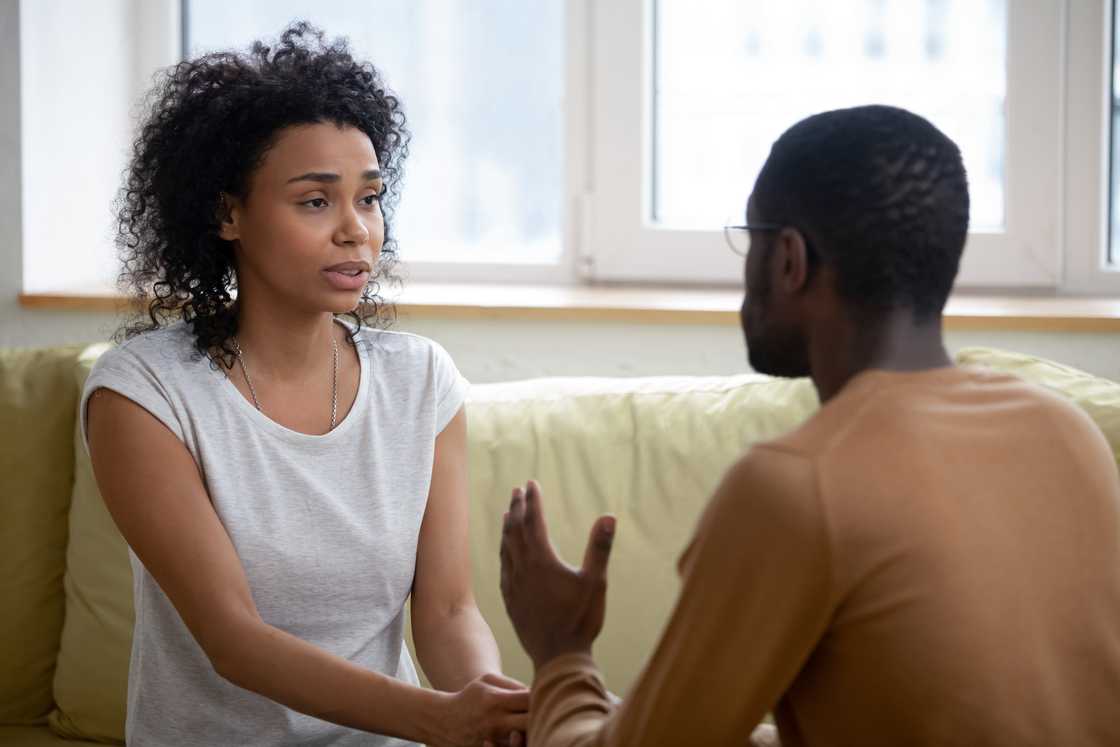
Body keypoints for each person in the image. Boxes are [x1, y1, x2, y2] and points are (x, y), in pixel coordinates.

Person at [498, 105, 1120, 746]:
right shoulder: (1067, 433)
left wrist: (561, 652)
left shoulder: (795, 487)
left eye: (752, 238)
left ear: (790, 259)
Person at [84, 23, 526, 747]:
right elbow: (233, 638)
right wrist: (437, 718)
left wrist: (488, 710)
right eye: (316, 202)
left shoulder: (420, 381)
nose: (357, 231)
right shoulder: (144, 393)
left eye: (370, 198)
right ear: (229, 213)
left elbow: (447, 613)